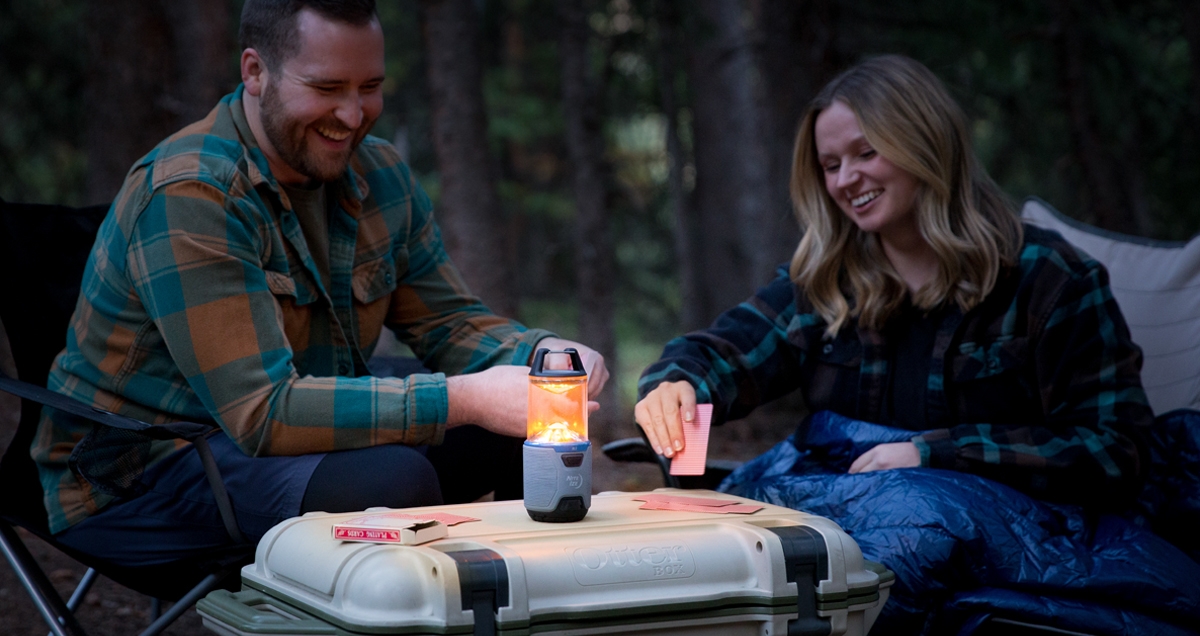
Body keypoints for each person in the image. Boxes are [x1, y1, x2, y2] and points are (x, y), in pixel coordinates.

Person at [35, 0, 608, 568]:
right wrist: (465, 398)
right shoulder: (190, 196)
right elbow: (263, 411)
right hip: (142, 470)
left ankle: (525, 597)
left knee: (523, 421)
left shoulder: (379, 173)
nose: (354, 115)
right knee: (391, 481)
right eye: (328, 87)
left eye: (370, 87)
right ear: (255, 72)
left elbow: (450, 324)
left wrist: (543, 358)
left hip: (291, 432)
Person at [636, 54, 1152, 510]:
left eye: (866, 153)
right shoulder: (826, 282)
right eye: (830, 165)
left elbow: (1113, 449)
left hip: (1009, 548)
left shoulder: (1049, 279)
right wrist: (676, 384)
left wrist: (935, 457)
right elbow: (724, 352)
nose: (844, 180)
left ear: (925, 146)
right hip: (858, 531)